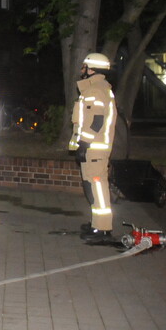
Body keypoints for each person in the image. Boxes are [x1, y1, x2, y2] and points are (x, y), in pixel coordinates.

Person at [70, 53, 118, 245]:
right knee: (93, 187)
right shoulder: (101, 88)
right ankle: (97, 223)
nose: (82, 70)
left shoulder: (94, 91)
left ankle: (102, 228)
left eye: (84, 66)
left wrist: (83, 144)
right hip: (95, 148)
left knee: (97, 188)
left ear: (91, 69)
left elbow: (95, 121)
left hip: (94, 149)